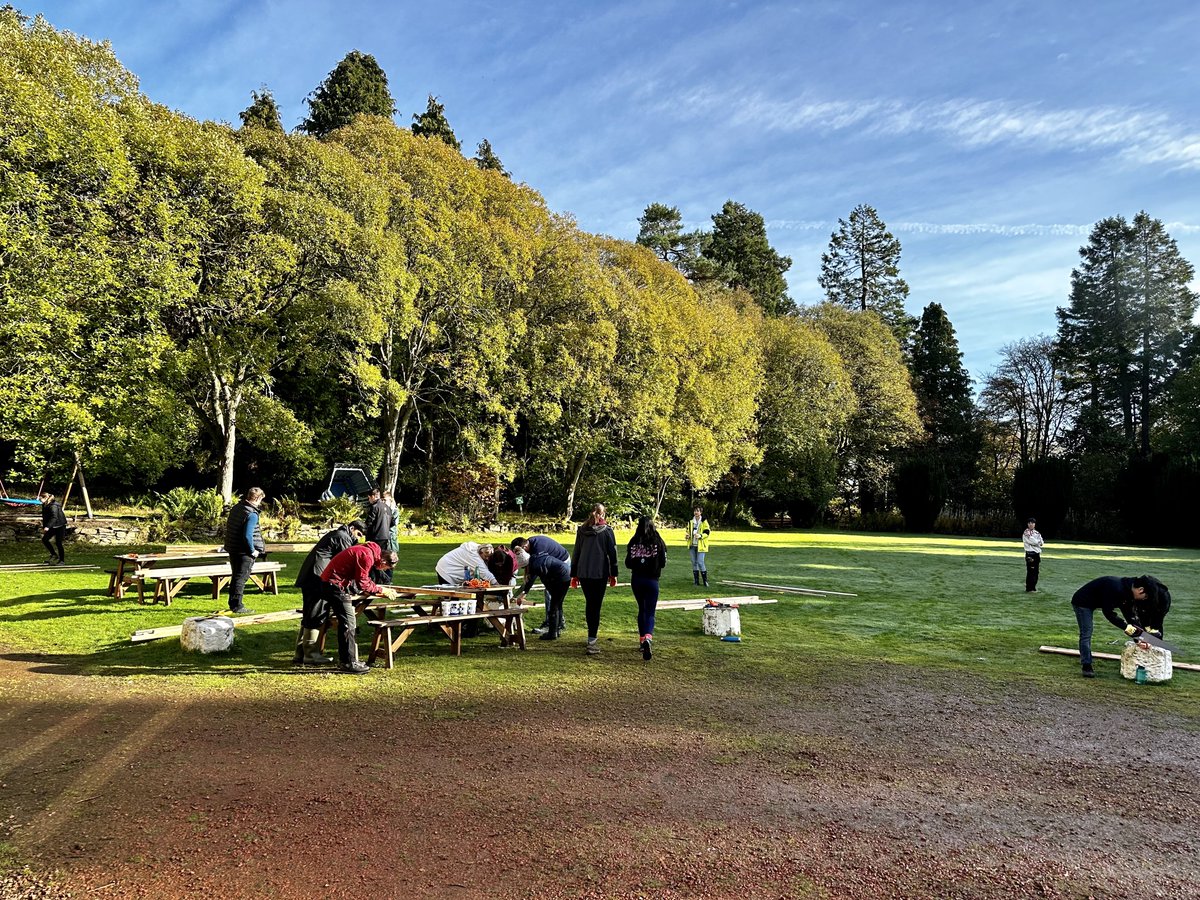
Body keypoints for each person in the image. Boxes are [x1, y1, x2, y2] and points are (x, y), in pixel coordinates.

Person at [292, 519, 365, 665]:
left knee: (310, 612)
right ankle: (311, 654)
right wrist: (355, 587)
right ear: (352, 528)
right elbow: (346, 563)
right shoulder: (343, 537)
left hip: (311, 576)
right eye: (358, 534)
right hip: (317, 579)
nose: (358, 538)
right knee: (316, 613)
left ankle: (300, 653)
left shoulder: (336, 534)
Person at [319, 540, 398, 674]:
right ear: (384, 562)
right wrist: (381, 590)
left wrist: (376, 588)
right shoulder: (367, 556)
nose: (384, 570)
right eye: (387, 568)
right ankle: (348, 662)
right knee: (349, 623)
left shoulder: (369, 551)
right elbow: (363, 583)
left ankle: (348, 660)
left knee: (347, 622)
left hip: (334, 583)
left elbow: (363, 578)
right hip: (334, 585)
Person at [1070, 575, 1171, 679]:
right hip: (1083, 602)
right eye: (1145, 597)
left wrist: (1139, 638)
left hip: (1098, 601)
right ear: (1140, 590)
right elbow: (1109, 613)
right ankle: (1086, 665)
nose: (1144, 599)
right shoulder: (1116, 588)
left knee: (1129, 624)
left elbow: (1130, 617)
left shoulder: (1128, 591)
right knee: (1086, 632)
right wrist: (1126, 628)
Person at [571, 504, 618, 656]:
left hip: (584, 572)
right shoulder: (607, 531)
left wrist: (574, 574)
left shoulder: (582, 530)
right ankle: (592, 639)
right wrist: (614, 574)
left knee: (590, 603)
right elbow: (613, 554)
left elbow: (576, 551)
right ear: (603, 514)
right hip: (599, 573)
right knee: (595, 605)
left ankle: (591, 636)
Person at [512, 535, 571, 640]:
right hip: (560, 572)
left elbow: (537, 577)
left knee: (554, 604)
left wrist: (524, 593)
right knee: (556, 602)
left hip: (562, 567)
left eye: (524, 567)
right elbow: (543, 578)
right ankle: (556, 629)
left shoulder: (537, 557)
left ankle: (552, 633)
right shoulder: (534, 559)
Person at [625, 515, 668, 661]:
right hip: (652, 580)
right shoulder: (658, 541)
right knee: (650, 611)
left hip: (637, 579)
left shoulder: (634, 541)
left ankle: (642, 639)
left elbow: (628, 563)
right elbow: (663, 562)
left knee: (641, 608)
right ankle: (648, 637)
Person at [223, 487, 265, 614]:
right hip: (244, 551)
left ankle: (233, 603)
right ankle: (237, 606)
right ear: (257, 498)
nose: (260, 503)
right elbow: (247, 535)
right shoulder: (251, 514)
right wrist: (252, 550)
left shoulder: (237, 507)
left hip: (233, 548)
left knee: (236, 576)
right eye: (261, 499)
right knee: (241, 578)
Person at [364, 488, 396, 584]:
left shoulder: (374, 507)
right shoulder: (388, 508)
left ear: (373, 496)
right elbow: (392, 523)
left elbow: (368, 523)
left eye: (369, 498)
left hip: (375, 538)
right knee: (385, 558)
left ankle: (376, 579)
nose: (369, 500)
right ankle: (387, 579)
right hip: (385, 537)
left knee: (374, 559)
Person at [685, 505, 712, 586]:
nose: (696, 512)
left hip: (701, 546)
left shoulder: (704, 521)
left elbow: (707, 532)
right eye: (695, 511)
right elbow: (687, 531)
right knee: (694, 562)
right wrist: (687, 536)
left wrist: (700, 536)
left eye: (698, 511)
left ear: (701, 512)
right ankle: (696, 581)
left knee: (700, 562)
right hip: (692, 545)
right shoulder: (690, 522)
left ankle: (705, 581)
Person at [39, 492, 67, 566]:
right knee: (45, 540)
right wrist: (45, 526)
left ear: (45, 498)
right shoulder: (45, 505)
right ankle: (54, 555)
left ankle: (62, 561)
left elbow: (54, 517)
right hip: (52, 526)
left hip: (59, 526)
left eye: (40, 498)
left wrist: (47, 527)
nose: (39, 500)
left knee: (58, 543)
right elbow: (45, 517)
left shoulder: (53, 506)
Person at [1023, 517, 1044, 592]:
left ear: (1035, 524)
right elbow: (1033, 541)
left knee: (1036, 572)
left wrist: (1038, 542)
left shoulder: (1037, 533)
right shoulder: (1026, 533)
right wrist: (1037, 542)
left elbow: (1042, 542)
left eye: (1032, 523)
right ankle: (1029, 588)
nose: (1031, 524)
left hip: (1037, 554)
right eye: (1029, 523)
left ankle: (1033, 587)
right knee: (1031, 571)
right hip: (1030, 554)